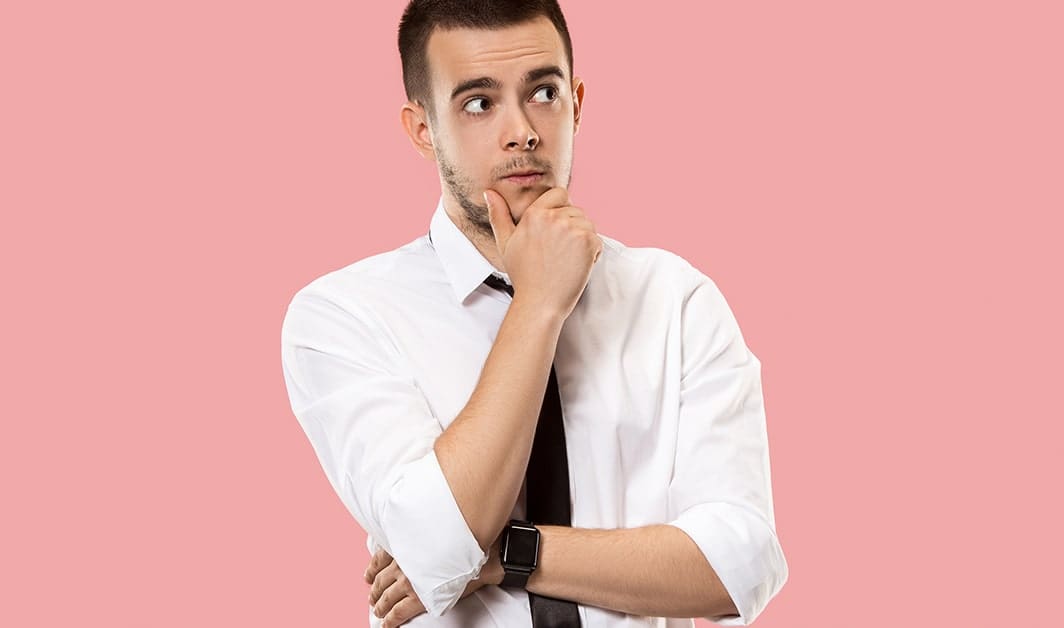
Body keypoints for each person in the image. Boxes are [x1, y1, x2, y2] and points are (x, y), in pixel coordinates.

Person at [280, 1, 788, 626]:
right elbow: (438, 547)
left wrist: (505, 556)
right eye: (478, 103)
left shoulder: (675, 300)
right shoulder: (344, 316)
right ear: (422, 129)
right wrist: (539, 304)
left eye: (543, 92)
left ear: (577, 102)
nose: (521, 130)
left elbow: (741, 564)